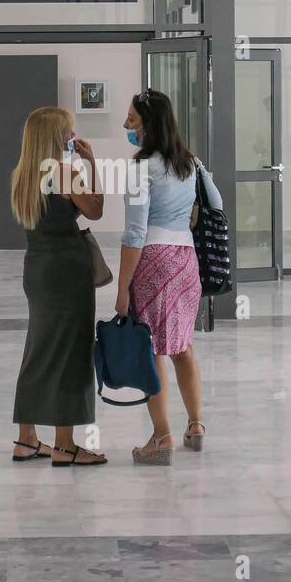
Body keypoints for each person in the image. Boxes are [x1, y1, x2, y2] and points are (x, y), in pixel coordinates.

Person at [115, 89, 223, 466]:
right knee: (182, 345)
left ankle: (162, 439)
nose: (126, 125)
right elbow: (218, 203)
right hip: (186, 260)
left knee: (152, 349)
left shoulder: (140, 168)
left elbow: (134, 233)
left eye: (131, 119)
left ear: (148, 124)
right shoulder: (190, 163)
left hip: (154, 259)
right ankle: (195, 426)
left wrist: (122, 288)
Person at [8, 108, 108, 466]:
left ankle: (26, 438)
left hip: (37, 268)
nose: (72, 134)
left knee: (39, 348)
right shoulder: (64, 172)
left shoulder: (23, 174)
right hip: (67, 269)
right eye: (67, 130)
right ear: (55, 135)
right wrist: (92, 161)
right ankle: (65, 444)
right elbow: (96, 209)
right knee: (71, 351)